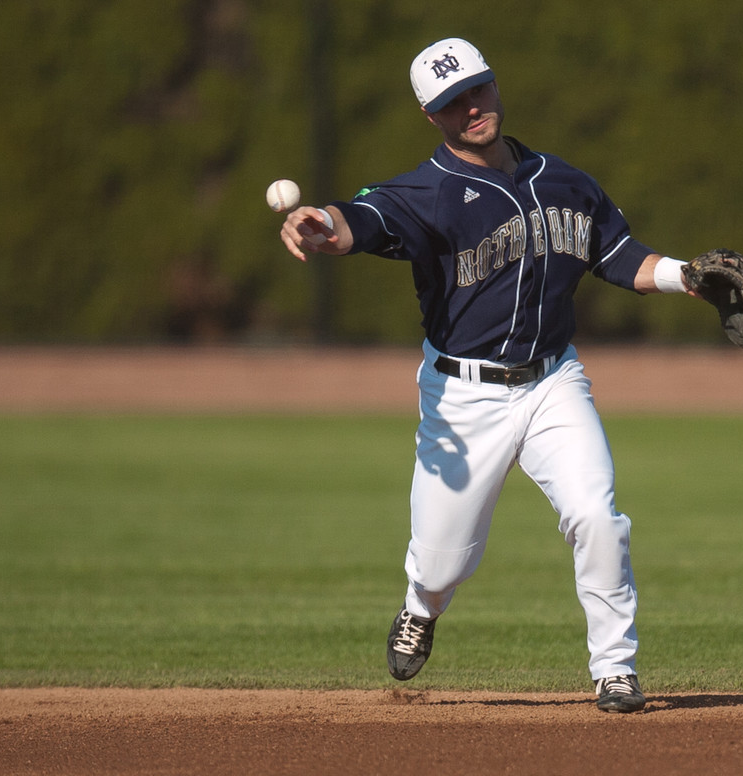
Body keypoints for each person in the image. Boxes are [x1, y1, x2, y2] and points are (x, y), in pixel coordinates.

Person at [279, 37, 705, 714]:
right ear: (433, 117)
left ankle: (615, 669)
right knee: (443, 562)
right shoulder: (428, 192)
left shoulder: (563, 180)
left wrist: (689, 277)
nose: (472, 108)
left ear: (494, 84)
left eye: (477, 90)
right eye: (453, 103)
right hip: (462, 396)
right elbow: (365, 218)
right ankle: (421, 604)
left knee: (597, 515)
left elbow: (622, 257)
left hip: (553, 383)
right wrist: (321, 223)